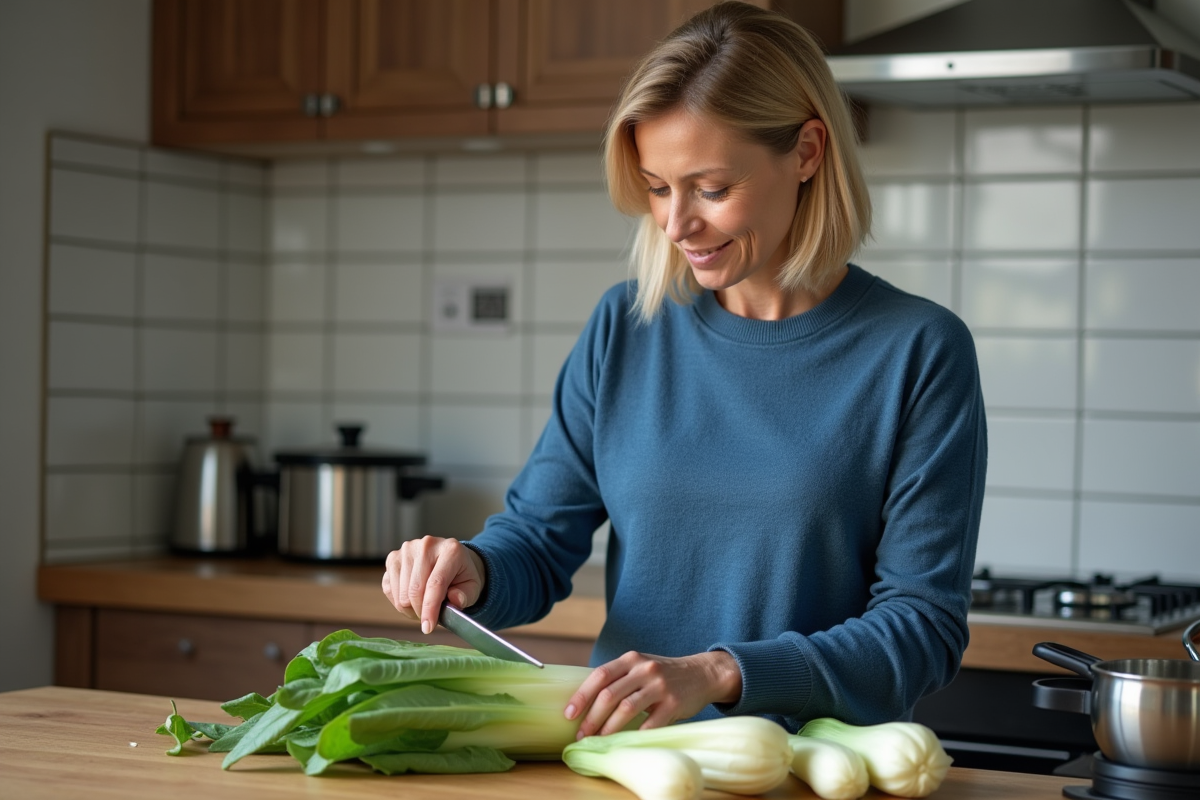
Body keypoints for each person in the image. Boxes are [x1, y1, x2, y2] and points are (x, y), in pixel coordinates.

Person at [383, 0, 986, 742]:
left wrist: (720, 672)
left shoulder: (919, 350)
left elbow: (922, 629)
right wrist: (473, 569)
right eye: (658, 187)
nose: (676, 225)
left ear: (806, 152)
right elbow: (538, 540)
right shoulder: (625, 326)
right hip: (629, 768)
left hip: (802, 775)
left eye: (711, 189)